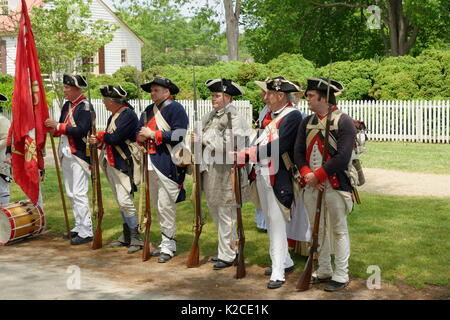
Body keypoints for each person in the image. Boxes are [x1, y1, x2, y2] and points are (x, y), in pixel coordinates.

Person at [238, 76, 304, 289]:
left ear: (280, 95)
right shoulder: (270, 115)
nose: (265, 97)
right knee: (269, 219)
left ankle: (278, 272)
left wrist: (250, 154)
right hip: (262, 173)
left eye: (268, 94)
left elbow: (281, 145)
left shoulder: (292, 116)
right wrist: (248, 152)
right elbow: (261, 140)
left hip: (279, 176)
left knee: (276, 224)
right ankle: (285, 261)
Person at [294, 78, 356, 292]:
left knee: (338, 230)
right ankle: (324, 269)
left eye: (310, 96)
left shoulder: (344, 121)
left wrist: (319, 175)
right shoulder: (306, 121)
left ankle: (341, 273)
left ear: (323, 97)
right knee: (316, 229)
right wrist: (307, 173)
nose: (307, 99)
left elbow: (342, 156)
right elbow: (298, 152)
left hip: (335, 184)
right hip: (311, 183)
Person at [198, 78, 250, 270]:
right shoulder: (212, 116)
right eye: (212, 95)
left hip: (228, 171)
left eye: (217, 95)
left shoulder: (234, 118)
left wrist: (205, 138)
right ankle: (224, 250)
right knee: (216, 211)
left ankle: (229, 254)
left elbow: (229, 147)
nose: (213, 98)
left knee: (226, 212)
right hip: (212, 170)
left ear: (228, 97)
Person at [136, 76, 188, 263]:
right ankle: (165, 241)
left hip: (167, 163)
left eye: (156, 90)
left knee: (166, 206)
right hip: (150, 162)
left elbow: (179, 134)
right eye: (152, 90)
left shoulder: (176, 108)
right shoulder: (148, 110)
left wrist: (154, 134)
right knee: (156, 206)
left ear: (167, 92)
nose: (152, 93)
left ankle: (169, 245)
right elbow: (138, 131)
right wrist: (141, 137)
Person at [88, 85, 143, 254]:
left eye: (105, 100)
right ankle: (127, 235)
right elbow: (110, 139)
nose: (104, 103)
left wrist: (100, 136)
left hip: (124, 162)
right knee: (121, 201)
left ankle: (136, 237)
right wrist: (98, 141)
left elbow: (116, 137)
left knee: (125, 201)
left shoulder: (127, 115)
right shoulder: (116, 114)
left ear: (112, 101)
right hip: (113, 162)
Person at [44, 74, 93, 245]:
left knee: (79, 193)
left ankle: (87, 231)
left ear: (77, 89)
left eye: (67, 88)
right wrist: (55, 130)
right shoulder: (67, 105)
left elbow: (81, 130)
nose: (64, 90)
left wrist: (57, 126)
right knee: (71, 192)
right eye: (64, 87)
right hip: (65, 152)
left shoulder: (86, 107)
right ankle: (79, 226)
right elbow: (63, 126)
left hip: (79, 154)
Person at [0, 94, 11, 206]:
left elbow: (6, 139)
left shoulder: (2, 120)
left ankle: (3, 218)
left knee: (2, 190)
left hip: (1, 160)